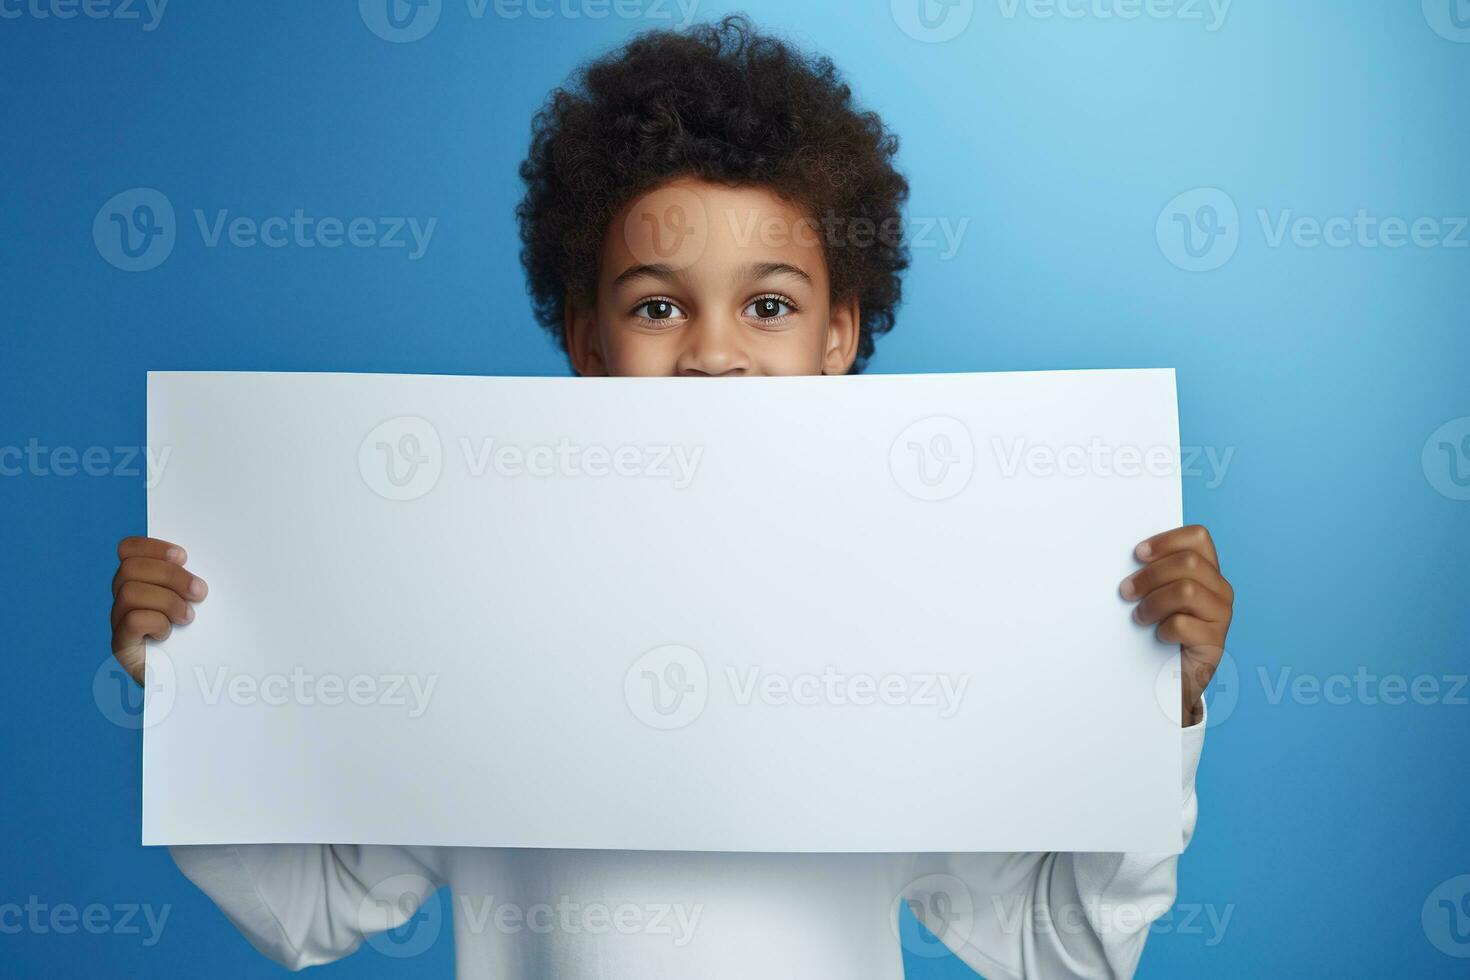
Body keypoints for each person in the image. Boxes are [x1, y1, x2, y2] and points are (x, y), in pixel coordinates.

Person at [108, 16, 1233, 978]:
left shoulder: (911, 624)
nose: (712, 354)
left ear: (840, 334)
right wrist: (199, 683)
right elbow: (313, 907)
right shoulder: (472, 605)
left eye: (770, 305)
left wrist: (1155, 706)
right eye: (657, 308)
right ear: (587, 340)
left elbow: (1062, 946)